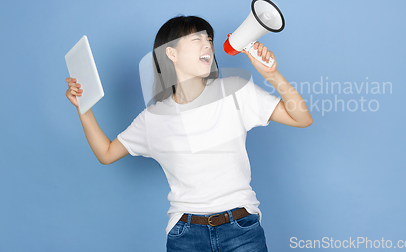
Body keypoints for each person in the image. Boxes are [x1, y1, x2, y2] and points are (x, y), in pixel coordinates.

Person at [65, 15, 313, 251]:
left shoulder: (235, 92)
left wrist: (271, 74)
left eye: (209, 40)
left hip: (241, 229)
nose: (207, 45)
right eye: (197, 39)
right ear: (171, 53)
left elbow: (301, 118)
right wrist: (83, 107)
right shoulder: (153, 119)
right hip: (185, 236)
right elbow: (106, 153)